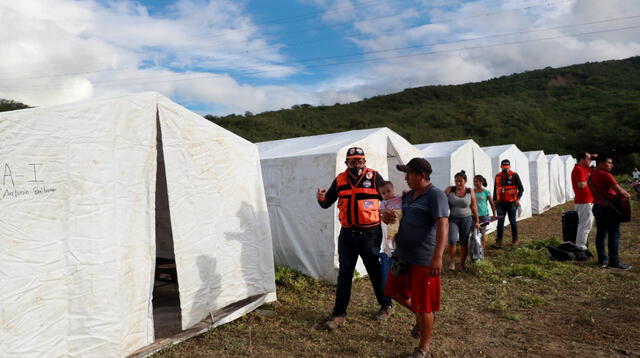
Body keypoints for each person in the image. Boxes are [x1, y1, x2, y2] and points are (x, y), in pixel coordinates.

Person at [316, 147, 394, 330]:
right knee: (345, 274)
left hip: (370, 234)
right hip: (347, 235)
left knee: (375, 271)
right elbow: (327, 203)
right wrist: (320, 199)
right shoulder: (340, 180)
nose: (356, 164)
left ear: (364, 162)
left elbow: (388, 198)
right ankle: (338, 314)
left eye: (360, 161)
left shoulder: (375, 177)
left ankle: (387, 306)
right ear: (346, 163)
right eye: (353, 162)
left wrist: (388, 211)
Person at [383, 158, 449, 358]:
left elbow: (443, 225)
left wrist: (438, 256)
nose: (405, 178)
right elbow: (396, 216)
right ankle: (422, 318)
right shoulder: (409, 195)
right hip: (403, 256)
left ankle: (424, 349)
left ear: (422, 175)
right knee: (394, 292)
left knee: (425, 304)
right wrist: (386, 217)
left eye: (409, 174)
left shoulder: (435, 195)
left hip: (424, 259)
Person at [590, 155, 632, 270]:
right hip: (609, 209)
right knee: (614, 235)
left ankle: (602, 260)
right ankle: (614, 262)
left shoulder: (592, 175)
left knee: (601, 234)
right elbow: (620, 191)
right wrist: (628, 194)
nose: (611, 165)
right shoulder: (606, 175)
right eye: (609, 162)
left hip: (597, 207)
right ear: (600, 163)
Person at [443, 170, 479, 270]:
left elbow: (474, 206)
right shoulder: (450, 189)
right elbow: (440, 198)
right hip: (453, 219)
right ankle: (452, 262)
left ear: (465, 181)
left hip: (467, 219)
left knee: (464, 241)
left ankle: (462, 264)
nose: (458, 183)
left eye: (460, 181)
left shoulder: (469, 191)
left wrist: (477, 221)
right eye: (456, 181)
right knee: (452, 240)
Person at [491, 159, 525, 248]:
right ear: (501, 167)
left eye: (507, 167)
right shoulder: (497, 176)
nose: (505, 169)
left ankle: (515, 240)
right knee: (500, 222)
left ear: (509, 167)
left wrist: (518, 199)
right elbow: (495, 190)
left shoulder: (514, 175)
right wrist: (494, 202)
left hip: (512, 203)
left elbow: (521, 189)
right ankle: (498, 241)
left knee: (512, 221)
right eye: (504, 167)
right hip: (500, 204)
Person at [379, 181, 403, 288]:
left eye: (388, 191)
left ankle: (392, 243)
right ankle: (389, 241)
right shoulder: (384, 202)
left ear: (394, 190)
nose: (386, 194)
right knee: (393, 226)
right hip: (393, 214)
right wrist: (385, 211)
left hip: (401, 214)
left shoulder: (398, 197)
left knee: (396, 228)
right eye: (383, 193)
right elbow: (380, 210)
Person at [571, 152, 595, 251]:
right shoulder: (579, 169)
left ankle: (581, 244)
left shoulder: (585, 168)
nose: (590, 161)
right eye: (588, 159)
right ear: (582, 159)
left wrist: (593, 156)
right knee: (585, 225)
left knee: (585, 224)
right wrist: (589, 179)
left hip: (586, 201)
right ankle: (580, 246)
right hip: (584, 201)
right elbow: (581, 184)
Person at [473, 174, 497, 249]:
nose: (475, 183)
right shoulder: (471, 191)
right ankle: (475, 248)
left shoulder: (486, 192)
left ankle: (482, 249)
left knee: (482, 233)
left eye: (477, 181)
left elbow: (492, 203)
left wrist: (494, 214)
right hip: (473, 215)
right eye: (474, 181)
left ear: (481, 182)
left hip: (484, 215)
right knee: (475, 233)